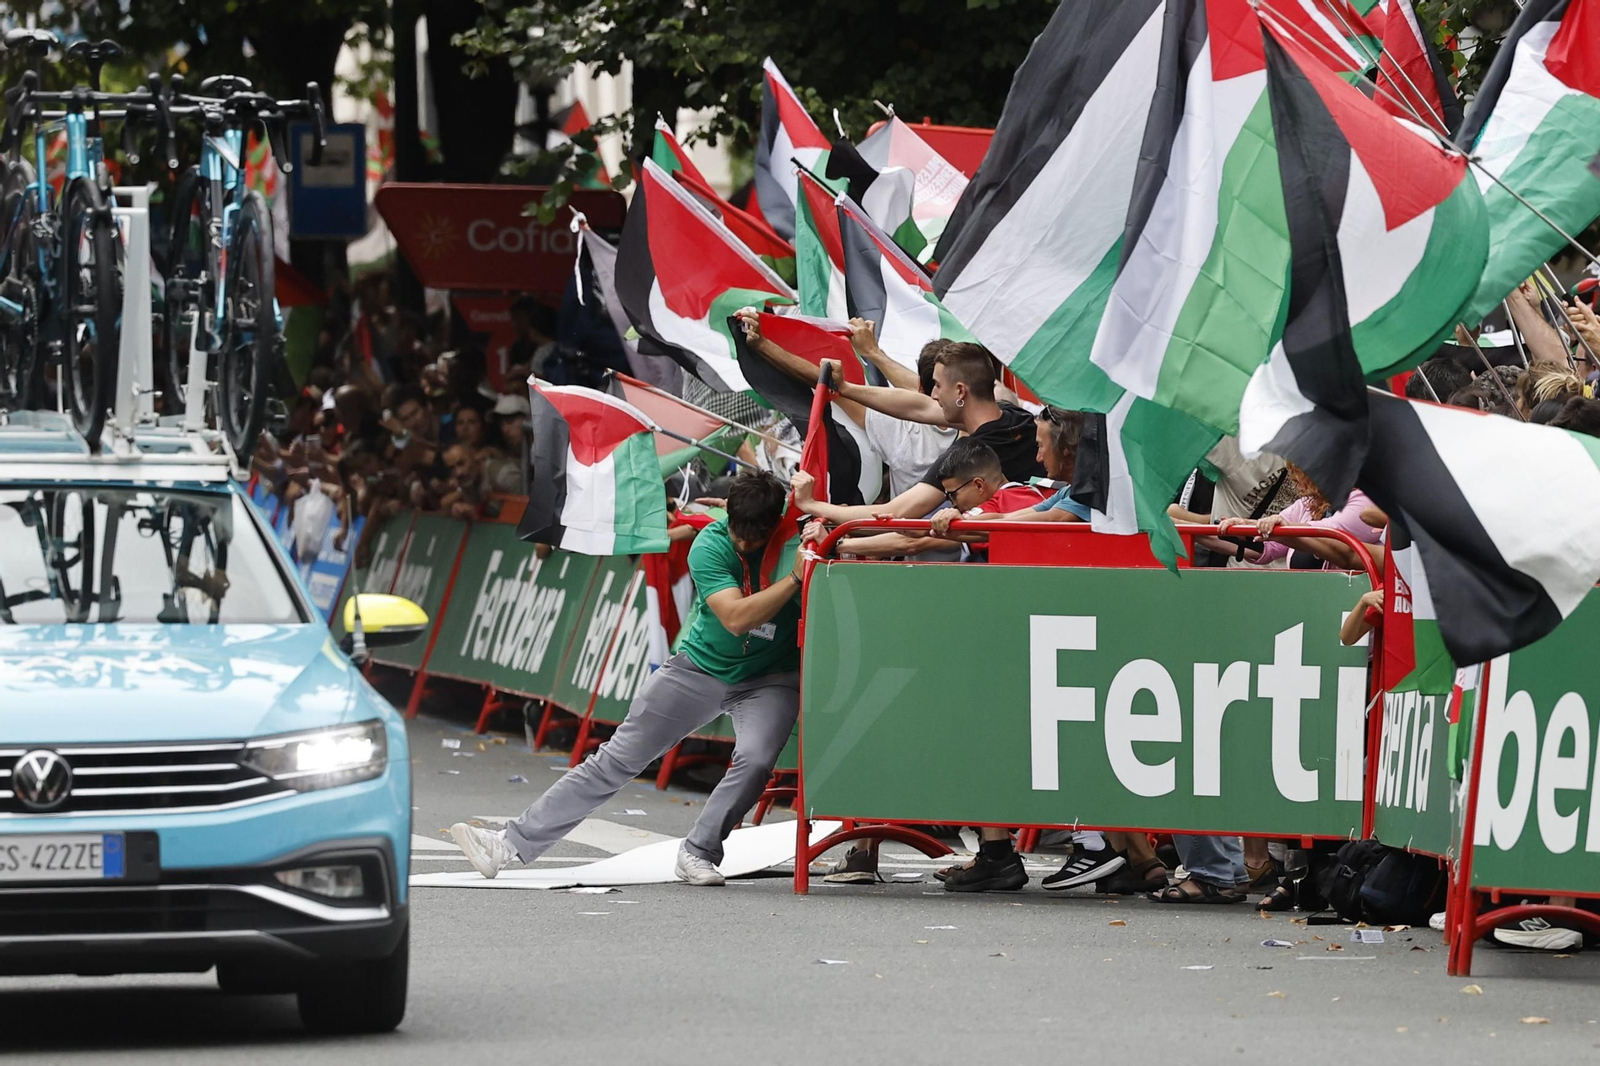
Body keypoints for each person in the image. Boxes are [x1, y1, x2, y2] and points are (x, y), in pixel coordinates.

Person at [450, 470, 807, 886]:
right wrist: (794, 579)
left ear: (776, 523)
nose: (744, 545)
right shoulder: (709, 544)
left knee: (758, 759)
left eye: (755, 539)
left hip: (769, 677)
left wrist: (812, 510)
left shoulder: (797, 537)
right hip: (700, 667)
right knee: (615, 760)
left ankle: (698, 852)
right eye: (738, 535)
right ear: (727, 516)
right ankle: (507, 844)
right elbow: (735, 618)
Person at [793, 342, 1044, 527]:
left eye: (937, 385)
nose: (933, 395)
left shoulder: (971, 453)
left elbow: (898, 510)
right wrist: (846, 388)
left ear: (960, 392)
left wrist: (813, 505)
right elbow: (916, 407)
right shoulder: (1015, 415)